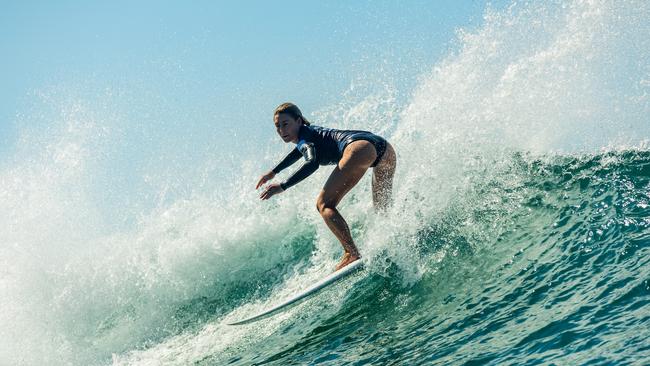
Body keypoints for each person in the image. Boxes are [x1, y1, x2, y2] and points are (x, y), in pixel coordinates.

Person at [256, 102, 397, 271]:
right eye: (277, 126)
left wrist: (283, 186)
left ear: (299, 121)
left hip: (358, 149)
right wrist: (273, 172)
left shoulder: (305, 140)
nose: (281, 130)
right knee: (382, 209)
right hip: (384, 148)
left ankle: (351, 252)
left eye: (285, 124)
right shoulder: (309, 135)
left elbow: (312, 161)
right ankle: (393, 239)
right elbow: (297, 153)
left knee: (323, 204)